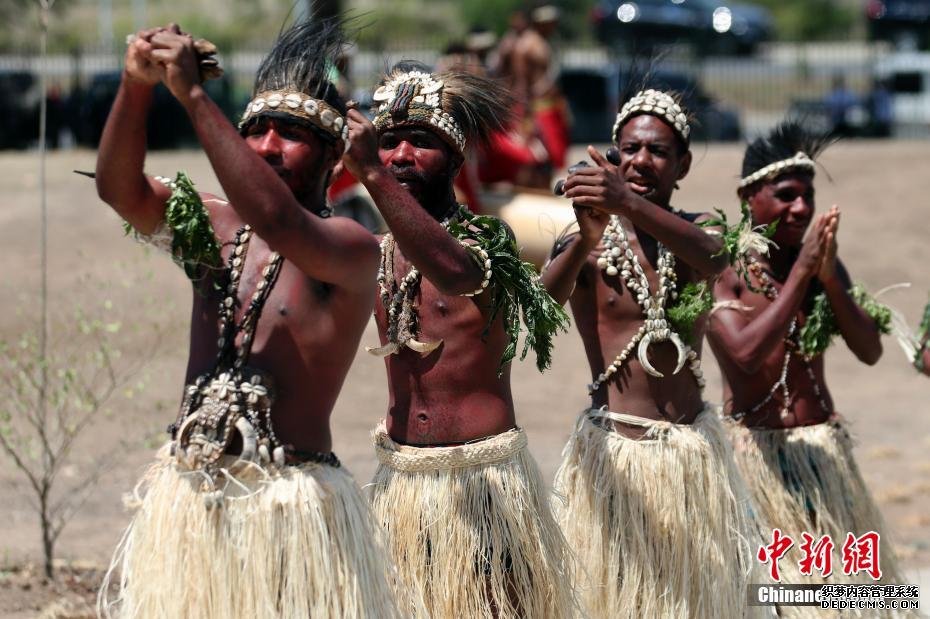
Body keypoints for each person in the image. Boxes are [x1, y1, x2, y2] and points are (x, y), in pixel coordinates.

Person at [95, 21, 399, 618]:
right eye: (254, 131)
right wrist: (136, 83)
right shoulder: (210, 227)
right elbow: (118, 189)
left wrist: (194, 97)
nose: (266, 147)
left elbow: (281, 223)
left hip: (289, 505)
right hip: (191, 492)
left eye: (291, 135)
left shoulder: (351, 248)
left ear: (333, 155)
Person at [341, 62, 574, 618]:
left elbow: (454, 273)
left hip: (483, 488)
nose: (400, 157)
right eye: (388, 142)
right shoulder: (373, 250)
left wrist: (371, 172)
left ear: (457, 156)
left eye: (420, 143)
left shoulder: (485, 243)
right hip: (401, 482)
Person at [542, 88, 764, 617]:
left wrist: (628, 203)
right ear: (614, 154)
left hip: (691, 456)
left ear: (682, 163)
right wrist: (585, 235)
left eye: (658, 151)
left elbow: (716, 259)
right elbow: (541, 311)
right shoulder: (586, 241)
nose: (641, 160)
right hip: (616, 457)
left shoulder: (700, 232)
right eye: (630, 148)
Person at [707, 120, 906, 587]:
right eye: (786, 195)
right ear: (748, 197)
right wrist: (801, 276)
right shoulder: (725, 271)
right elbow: (744, 355)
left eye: (807, 196)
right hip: (755, 457)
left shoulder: (823, 265)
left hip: (822, 450)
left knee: (851, 598)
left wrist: (829, 277)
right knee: (781, 597)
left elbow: (870, 350)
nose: (801, 208)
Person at [512, 5, 570, 171]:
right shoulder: (525, 46)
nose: (554, 25)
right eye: (550, 22)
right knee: (545, 154)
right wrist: (525, 116)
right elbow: (521, 83)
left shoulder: (544, 42)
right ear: (539, 22)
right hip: (539, 107)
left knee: (558, 154)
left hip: (553, 104)